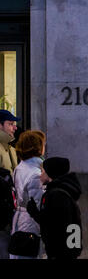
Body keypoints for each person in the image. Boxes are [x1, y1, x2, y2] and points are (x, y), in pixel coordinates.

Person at [27, 157, 82, 259]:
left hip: (60, 251)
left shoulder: (56, 195)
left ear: (50, 173)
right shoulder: (61, 191)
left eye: (42, 171)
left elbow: (54, 225)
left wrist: (34, 212)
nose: (40, 174)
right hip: (66, 249)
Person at [10, 130, 46, 259]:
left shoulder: (20, 167)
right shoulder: (36, 173)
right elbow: (37, 204)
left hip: (20, 219)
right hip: (30, 223)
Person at [0, 110, 20, 259]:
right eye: (10, 124)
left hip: (11, 208)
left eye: (15, 124)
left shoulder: (11, 149)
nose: (15, 128)